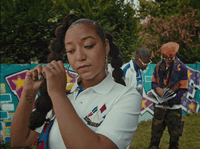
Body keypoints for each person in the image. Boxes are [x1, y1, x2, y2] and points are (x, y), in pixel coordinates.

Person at [10, 14, 142, 149]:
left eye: (89, 46)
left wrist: (57, 94)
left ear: (106, 47)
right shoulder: (63, 95)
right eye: (71, 50)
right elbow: (18, 141)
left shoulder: (126, 97)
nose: (79, 57)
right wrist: (29, 93)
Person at [149, 42, 188, 149]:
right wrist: (157, 88)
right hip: (160, 107)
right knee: (155, 137)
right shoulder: (158, 66)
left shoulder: (182, 68)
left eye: (169, 59)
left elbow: (183, 88)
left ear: (174, 56)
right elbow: (153, 82)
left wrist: (171, 100)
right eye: (164, 57)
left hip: (174, 108)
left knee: (175, 137)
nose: (166, 60)